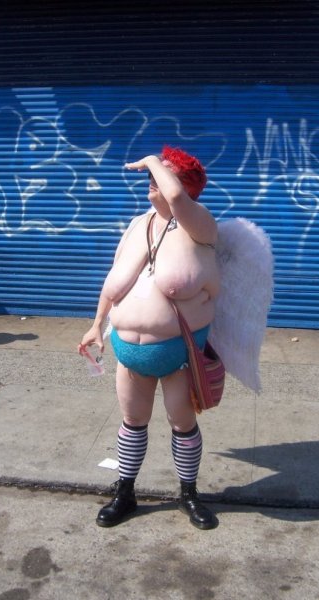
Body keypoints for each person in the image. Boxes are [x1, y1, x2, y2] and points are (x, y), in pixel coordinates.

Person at [78, 145, 220, 530]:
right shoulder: (138, 224)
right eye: (151, 176)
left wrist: (153, 160)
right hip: (129, 354)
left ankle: (189, 495)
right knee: (132, 421)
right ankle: (125, 493)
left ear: (183, 185)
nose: (151, 181)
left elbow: (176, 198)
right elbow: (113, 280)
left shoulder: (200, 225)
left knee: (182, 423)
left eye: (160, 176)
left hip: (177, 354)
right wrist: (97, 324)